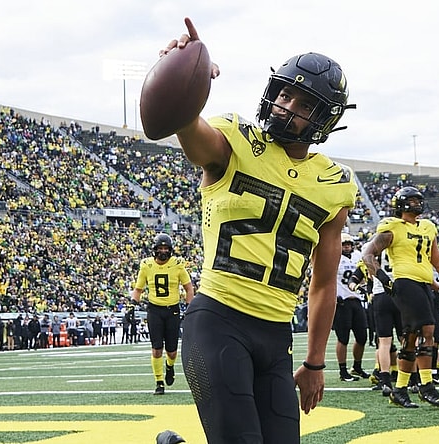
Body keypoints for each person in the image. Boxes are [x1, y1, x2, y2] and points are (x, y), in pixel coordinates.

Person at [155, 18, 356, 443]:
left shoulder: (336, 183)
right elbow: (190, 133)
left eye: (304, 104)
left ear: (325, 117)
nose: (287, 107)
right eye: (285, 94)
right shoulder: (234, 137)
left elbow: (324, 281)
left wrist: (316, 361)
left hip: (276, 332)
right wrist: (186, 82)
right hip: (218, 319)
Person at [362, 186, 439, 409]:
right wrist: (381, 276)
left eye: (419, 200)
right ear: (401, 204)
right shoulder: (392, 227)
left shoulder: (427, 227)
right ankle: (426, 385)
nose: (417, 204)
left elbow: (436, 259)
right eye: (412, 200)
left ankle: (401, 388)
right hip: (405, 281)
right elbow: (368, 254)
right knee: (427, 330)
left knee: (411, 336)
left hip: (424, 282)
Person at [131, 232, 195, 395]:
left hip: (172, 309)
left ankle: (170, 366)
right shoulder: (147, 265)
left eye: (166, 248)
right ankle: (159, 382)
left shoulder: (178, 264)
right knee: (156, 348)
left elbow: (189, 288)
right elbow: (138, 289)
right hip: (154, 310)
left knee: (172, 351)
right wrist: (132, 305)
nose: (163, 251)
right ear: (154, 249)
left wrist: (189, 306)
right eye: (160, 248)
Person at [348, 246, 400, 397]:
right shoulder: (396, 251)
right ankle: (407, 376)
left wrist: (358, 287)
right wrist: (360, 288)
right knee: (397, 338)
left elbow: (352, 280)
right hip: (391, 296)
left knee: (383, 341)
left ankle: (384, 373)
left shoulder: (369, 257)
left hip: (379, 298)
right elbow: (353, 280)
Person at [332, 232, 370, 382]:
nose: (347, 247)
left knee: (362, 337)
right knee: (343, 338)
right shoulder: (334, 257)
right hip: (342, 302)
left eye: (348, 244)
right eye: (344, 244)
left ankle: (357, 367)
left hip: (357, 301)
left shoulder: (358, 256)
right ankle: (343, 371)